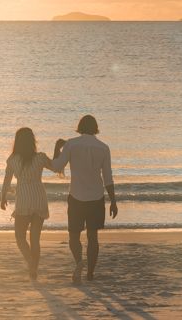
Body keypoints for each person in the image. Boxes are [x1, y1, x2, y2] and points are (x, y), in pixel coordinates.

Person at [51, 114, 117, 284]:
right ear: (95, 128)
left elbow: (57, 167)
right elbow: (108, 177)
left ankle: (79, 262)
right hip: (96, 197)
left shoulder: (71, 144)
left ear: (80, 127)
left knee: (73, 235)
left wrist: (57, 149)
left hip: (76, 196)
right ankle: (90, 273)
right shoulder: (103, 147)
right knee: (92, 237)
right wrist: (113, 201)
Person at [0, 127, 55, 281]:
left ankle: (31, 264)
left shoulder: (12, 160)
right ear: (32, 141)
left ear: (17, 142)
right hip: (39, 197)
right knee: (35, 239)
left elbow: (7, 180)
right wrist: (58, 149)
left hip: (23, 199)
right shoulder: (41, 158)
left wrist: (3, 197)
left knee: (19, 237)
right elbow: (57, 167)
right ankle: (33, 268)